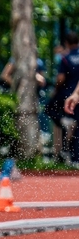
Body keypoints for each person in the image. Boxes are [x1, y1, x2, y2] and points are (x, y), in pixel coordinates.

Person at [45, 32, 79, 164]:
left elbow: (60, 78)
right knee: (77, 124)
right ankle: (74, 156)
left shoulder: (65, 58)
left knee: (49, 110)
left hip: (66, 95)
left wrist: (56, 89)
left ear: (66, 43)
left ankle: (65, 124)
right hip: (74, 95)